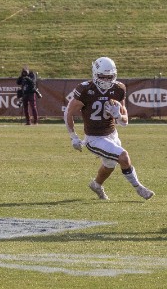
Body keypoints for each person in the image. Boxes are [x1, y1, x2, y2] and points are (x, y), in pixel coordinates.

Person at [66, 57, 154, 201]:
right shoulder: (85, 89)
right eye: (103, 77)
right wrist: (73, 136)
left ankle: (96, 185)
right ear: (95, 74)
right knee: (123, 157)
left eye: (110, 77)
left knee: (109, 165)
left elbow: (125, 122)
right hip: (94, 138)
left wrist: (118, 115)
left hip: (112, 134)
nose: (107, 80)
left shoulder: (118, 88)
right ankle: (139, 188)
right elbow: (68, 112)